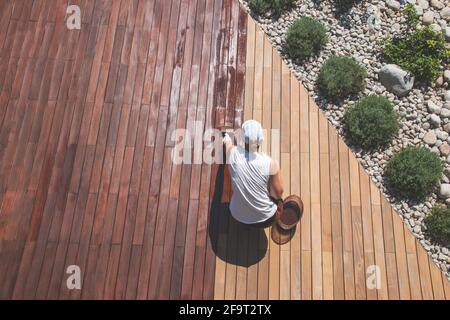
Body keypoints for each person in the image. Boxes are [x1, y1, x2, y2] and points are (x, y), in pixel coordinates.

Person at [223, 120, 284, 228]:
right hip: (266, 219)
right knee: (280, 200)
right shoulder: (271, 164)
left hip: (238, 216)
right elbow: (278, 194)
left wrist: (226, 135)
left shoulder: (233, 154)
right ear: (260, 140)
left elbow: (227, 143)